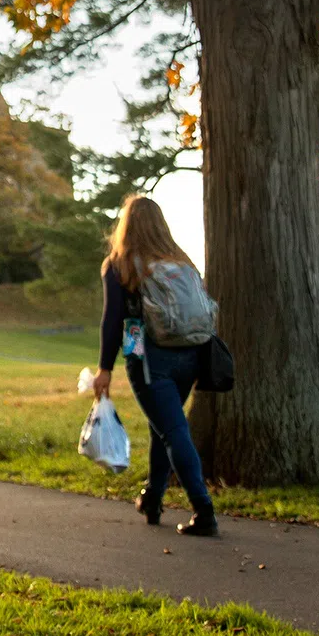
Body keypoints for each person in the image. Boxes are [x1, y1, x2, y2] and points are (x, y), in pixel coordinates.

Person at [91, 195, 219, 538]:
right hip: (190, 355)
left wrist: (105, 368)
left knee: (173, 430)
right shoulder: (182, 261)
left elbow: (112, 319)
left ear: (125, 225)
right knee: (162, 426)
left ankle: (203, 510)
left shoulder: (120, 264)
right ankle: (153, 498)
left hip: (147, 357)